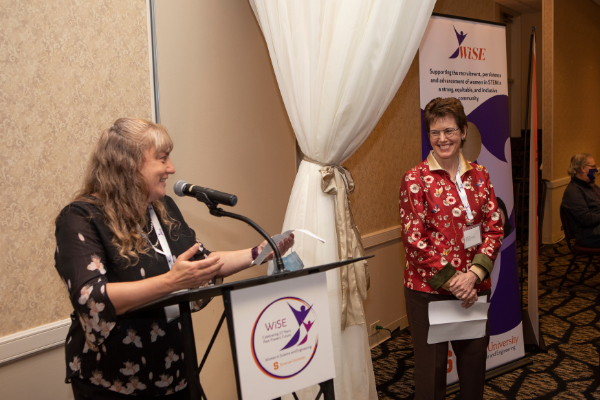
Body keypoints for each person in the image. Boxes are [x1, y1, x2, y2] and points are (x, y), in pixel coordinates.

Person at [54, 118, 293, 399]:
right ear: (128, 164)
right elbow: (90, 296)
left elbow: (200, 264)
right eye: (162, 159)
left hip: (175, 373)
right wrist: (171, 281)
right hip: (113, 382)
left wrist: (259, 253)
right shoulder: (80, 218)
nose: (171, 168)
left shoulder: (162, 208)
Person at [398, 97, 503, 400]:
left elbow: (494, 228)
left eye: (449, 130)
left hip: (474, 288)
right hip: (429, 293)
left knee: (474, 369)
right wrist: (455, 281)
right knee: (430, 377)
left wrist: (472, 276)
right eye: (435, 132)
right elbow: (415, 242)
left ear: (464, 131)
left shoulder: (480, 176)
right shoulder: (415, 179)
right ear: (428, 136)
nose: (442, 139)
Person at [561, 153, 600, 247]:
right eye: (593, 166)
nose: (596, 169)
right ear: (583, 168)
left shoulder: (589, 185)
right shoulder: (573, 191)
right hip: (589, 235)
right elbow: (587, 219)